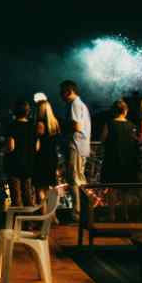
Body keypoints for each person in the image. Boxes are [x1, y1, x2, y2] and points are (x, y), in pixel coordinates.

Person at [59, 80, 91, 220]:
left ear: (68, 91)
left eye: (62, 92)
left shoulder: (75, 105)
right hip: (82, 146)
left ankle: (77, 213)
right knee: (80, 179)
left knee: (74, 180)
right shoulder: (81, 104)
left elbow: (76, 126)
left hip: (75, 146)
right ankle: (84, 211)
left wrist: (61, 123)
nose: (60, 96)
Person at [5, 99, 37, 207]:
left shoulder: (12, 126)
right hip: (29, 164)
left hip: (14, 165)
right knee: (28, 194)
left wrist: (4, 150)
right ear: (28, 112)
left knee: (16, 197)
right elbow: (36, 147)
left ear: (14, 112)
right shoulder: (32, 126)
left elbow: (10, 146)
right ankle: (29, 221)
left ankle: (18, 222)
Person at [100, 100, 139, 183]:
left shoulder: (109, 124)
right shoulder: (132, 125)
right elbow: (134, 140)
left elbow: (103, 139)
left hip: (112, 159)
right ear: (125, 111)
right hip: (128, 160)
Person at [33, 97, 60, 205]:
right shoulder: (55, 123)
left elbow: (37, 146)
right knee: (50, 187)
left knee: (40, 188)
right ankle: (53, 215)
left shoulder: (39, 125)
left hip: (41, 158)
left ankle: (44, 214)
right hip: (52, 156)